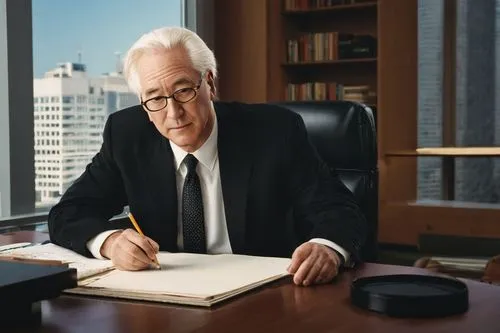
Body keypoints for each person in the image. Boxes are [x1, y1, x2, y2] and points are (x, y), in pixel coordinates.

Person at [48, 26, 367, 286]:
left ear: (209, 84)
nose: (173, 113)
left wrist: (327, 247)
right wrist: (108, 241)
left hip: (264, 295)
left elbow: (336, 207)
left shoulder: (274, 131)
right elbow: (69, 212)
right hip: (170, 294)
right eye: (155, 98)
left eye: (183, 90)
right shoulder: (126, 135)